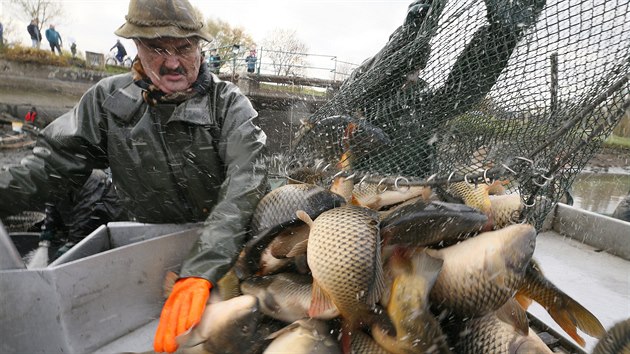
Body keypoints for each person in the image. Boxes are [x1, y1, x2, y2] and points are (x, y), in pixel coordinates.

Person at [0, 0, 268, 353]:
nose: (172, 62)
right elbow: (50, 167)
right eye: (157, 47)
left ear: (200, 46)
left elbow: (245, 184)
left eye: (184, 47)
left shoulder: (230, 105)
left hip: (227, 253)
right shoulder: (107, 102)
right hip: (146, 262)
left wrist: (201, 269)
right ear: (136, 47)